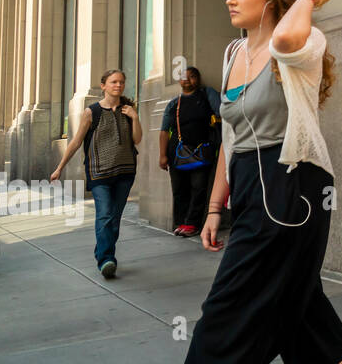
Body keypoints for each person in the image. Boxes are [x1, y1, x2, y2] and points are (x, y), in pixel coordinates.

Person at [180, 0, 342, 364]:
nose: (230, 0)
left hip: (291, 187)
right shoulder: (232, 52)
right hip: (246, 188)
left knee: (226, 306)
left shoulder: (305, 41)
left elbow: (284, 41)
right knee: (304, 310)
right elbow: (230, 136)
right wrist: (214, 207)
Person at [51, 69, 143, 278]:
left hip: (125, 171)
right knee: (105, 215)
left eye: (121, 82)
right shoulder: (91, 112)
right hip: (99, 173)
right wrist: (59, 167)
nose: (118, 85)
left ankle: (104, 251)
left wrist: (135, 117)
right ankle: (106, 259)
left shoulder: (128, 110)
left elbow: (137, 139)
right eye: (113, 82)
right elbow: (75, 142)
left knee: (115, 218)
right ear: (103, 86)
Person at [159, 66, 222, 236]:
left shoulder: (207, 94)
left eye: (192, 76)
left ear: (198, 79)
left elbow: (222, 114)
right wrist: (163, 155)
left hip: (202, 152)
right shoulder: (174, 103)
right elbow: (164, 130)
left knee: (198, 189)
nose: (187, 79)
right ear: (179, 81)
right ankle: (180, 223)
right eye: (183, 77)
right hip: (177, 154)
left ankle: (192, 224)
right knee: (179, 190)